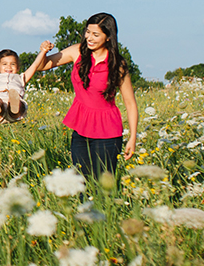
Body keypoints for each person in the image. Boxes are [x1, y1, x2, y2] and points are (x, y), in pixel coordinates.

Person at [38, 13, 138, 179]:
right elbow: (43, 66)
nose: (89, 38)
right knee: (80, 182)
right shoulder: (76, 52)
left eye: (96, 34)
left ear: (108, 37)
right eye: (88, 32)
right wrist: (43, 52)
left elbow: (130, 104)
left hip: (108, 132)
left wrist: (132, 138)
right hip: (81, 128)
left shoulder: (117, 65)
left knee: (103, 186)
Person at [0, 41, 54, 124]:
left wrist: (43, 51)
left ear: (18, 67)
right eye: (4, 64)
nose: (9, 67)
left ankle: (13, 104)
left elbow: (35, 65)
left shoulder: (21, 78)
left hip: (15, 105)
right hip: (0, 100)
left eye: (13, 64)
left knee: (18, 104)